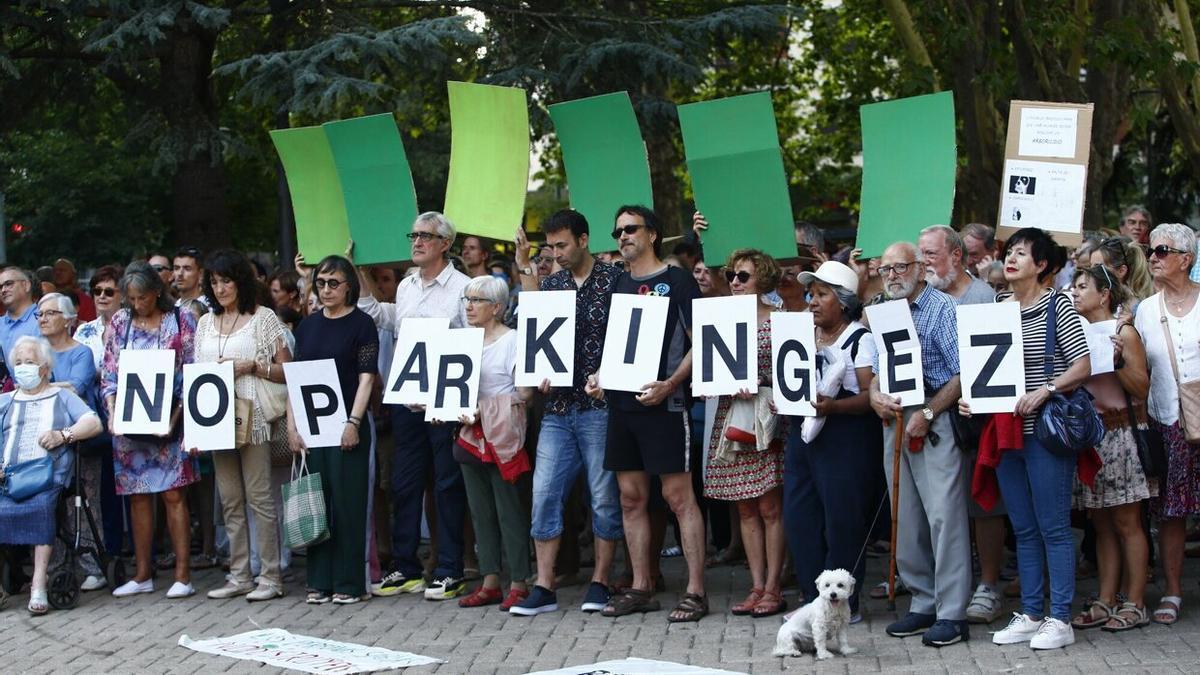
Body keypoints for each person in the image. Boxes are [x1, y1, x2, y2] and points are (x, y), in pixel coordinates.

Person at [591, 205, 707, 623]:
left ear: (653, 234)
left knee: (678, 497)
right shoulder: (619, 282)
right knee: (631, 498)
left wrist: (671, 384)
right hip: (622, 406)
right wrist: (598, 376)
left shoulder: (677, 281)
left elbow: (701, 342)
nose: (622, 236)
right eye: (618, 230)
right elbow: (615, 346)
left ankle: (696, 590)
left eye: (630, 229)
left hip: (665, 404)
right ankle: (642, 585)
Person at [976, 228, 1091, 650]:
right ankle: (1030, 613)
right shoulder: (997, 306)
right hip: (1006, 433)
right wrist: (975, 400)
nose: (1010, 260)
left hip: (1045, 432)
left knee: (1054, 527)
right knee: (1023, 527)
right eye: (1009, 252)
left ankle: (1060, 618)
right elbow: (985, 370)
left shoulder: (1058, 303)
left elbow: (1082, 365)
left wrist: (1047, 390)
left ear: (1042, 265)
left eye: (1021, 254)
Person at [509, 209, 624, 616]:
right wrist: (538, 372)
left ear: (583, 239)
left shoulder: (615, 280)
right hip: (557, 407)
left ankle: (601, 581)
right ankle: (544, 585)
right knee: (544, 495)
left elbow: (629, 338)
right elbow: (539, 336)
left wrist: (609, 375)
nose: (555, 253)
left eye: (562, 245)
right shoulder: (552, 285)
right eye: (551, 246)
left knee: (603, 497)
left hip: (599, 407)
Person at [359, 212, 471, 600]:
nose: (417, 241)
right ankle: (405, 567)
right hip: (408, 401)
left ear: (445, 244)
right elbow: (383, 317)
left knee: (446, 486)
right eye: (414, 234)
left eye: (426, 236)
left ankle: (450, 569)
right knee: (405, 485)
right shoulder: (406, 286)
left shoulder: (463, 287)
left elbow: (472, 339)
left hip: (444, 401)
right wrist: (359, 270)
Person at [868, 242, 971, 647]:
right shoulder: (883, 311)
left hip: (934, 418)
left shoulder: (942, 309)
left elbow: (964, 371)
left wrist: (927, 414)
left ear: (921, 270)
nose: (892, 275)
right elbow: (877, 368)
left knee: (944, 516)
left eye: (900, 267)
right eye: (885, 269)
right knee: (905, 515)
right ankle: (923, 600)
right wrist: (875, 394)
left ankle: (952, 612)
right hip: (894, 417)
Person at [918, 224, 1007, 625]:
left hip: (976, 418)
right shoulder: (924, 297)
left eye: (931, 255)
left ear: (957, 256)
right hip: (937, 415)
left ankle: (988, 584)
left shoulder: (982, 297)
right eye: (921, 255)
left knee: (982, 500)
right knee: (947, 508)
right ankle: (954, 584)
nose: (925, 263)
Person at [192, 250, 291, 602]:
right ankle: (239, 574)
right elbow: (196, 376)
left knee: (260, 497)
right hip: (215, 419)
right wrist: (195, 427)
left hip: (254, 416)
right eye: (214, 282)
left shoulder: (263, 318)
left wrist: (251, 366)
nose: (220, 289)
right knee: (230, 499)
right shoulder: (204, 323)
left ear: (241, 282)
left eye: (226, 281)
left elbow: (287, 370)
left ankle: (271, 575)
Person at [785, 261, 879, 622]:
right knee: (800, 517)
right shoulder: (803, 336)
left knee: (842, 521)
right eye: (811, 294)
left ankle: (844, 607)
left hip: (846, 436)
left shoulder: (860, 338)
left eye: (822, 294)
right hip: (804, 435)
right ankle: (813, 599)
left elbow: (870, 394)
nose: (812, 301)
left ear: (843, 302)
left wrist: (835, 407)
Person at [101, 261, 199, 600]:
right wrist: (113, 414)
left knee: (174, 494)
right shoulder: (120, 321)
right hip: (130, 424)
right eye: (131, 298)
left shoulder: (180, 319)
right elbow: (109, 374)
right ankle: (142, 573)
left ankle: (183, 575)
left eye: (142, 297)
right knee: (138, 495)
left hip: (170, 420)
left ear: (157, 292)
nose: (137, 304)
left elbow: (191, 372)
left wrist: (174, 419)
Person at [1068, 265, 1154, 632]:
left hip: (1121, 434)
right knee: (1100, 523)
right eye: (1073, 286)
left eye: (1082, 286)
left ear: (1104, 294)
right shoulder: (1076, 335)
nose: (1074, 292)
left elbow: (1141, 387)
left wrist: (1117, 361)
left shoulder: (1124, 332)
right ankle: (1106, 598)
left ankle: (1135, 600)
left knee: (1127, 522)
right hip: (1092, 437)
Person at [703, 249, 788, 618]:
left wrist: (761, 383)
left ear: (763, 280)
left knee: (770, 506)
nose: (734, 282)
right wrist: (721, 383)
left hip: (766, 417)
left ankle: (774, 586)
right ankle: (756, 585)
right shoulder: (719, 319)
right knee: (744, 506)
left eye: (743, 276)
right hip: (732, 416)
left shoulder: (782, 320)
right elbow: (707, 371)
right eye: (732, 275)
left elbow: (793, 373)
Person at [289, 255, 378, 604]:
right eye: (321, 283)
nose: (326, 290)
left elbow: (367, 377)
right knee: (317, 501)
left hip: (346, 425)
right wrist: (292, 426)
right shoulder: (307, 326)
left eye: (333, 283)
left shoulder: (362, 323)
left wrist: (353, 422)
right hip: (312, 427)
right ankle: (319, 581)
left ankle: (349, 583)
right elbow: (297, 381)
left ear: (349, 286)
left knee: (348, 503)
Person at [0, 336, 102, 615]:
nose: (23, 368)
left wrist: (63, 435)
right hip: (7, 479)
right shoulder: (6, 401)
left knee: (42, 507)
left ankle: (38, 584)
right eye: (18, 363)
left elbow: (92, 422)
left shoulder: (61, 396)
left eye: (29, 362)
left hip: (46, 479)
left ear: (44, 368)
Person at [1133, 222, 1200, 626]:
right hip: (1165, 421)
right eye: (1152, 251)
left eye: (1161, 250)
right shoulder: (1145, 309)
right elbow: (1139, 371)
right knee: (1171, 512)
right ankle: (1173, 590)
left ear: (1185, 260)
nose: (1153, 258)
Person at [453, 275, 533, 610]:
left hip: (502, 436)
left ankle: (519, 581)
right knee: (480, 511)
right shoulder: (460, 341)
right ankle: (489, 581)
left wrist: (484, 410)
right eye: (466, 300)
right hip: (470, 435)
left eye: (477, 300)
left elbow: (525, 392)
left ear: (497, 307)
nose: (469, 306)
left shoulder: (513, 340)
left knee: (509, 510)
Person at [37, 292, 107, 591]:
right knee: (48, 502)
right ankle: (56, 566)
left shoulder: (81, 353)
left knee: (85, 502)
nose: (43, 319)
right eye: (40, 314)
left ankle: (93, 566)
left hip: (79, 439)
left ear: (67, 320)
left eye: (50, 313)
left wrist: (41, 387)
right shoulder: (35, 353)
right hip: (44, 440)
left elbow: (75, 389)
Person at [918, 226, 995, 304]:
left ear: (955, 256)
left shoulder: (984, 298)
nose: (923, 261)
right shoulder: (915, 294)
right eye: (920, 254)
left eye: (931, 253)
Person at [74, 266, 124, 371]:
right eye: (97, 291)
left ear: (123, 296)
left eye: (109, 292)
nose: (102, 296)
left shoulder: (135, 329)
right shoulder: (83, 330)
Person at [1091, 237, 1154, 306]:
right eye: (1090, 266)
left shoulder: (1138, 308)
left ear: (1121, 271)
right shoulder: (1093, 301)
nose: (1091, 272)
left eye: (1098, 267)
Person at [0, 267, 41, 363]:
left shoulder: (45, 319)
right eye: (0, 287)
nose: (3, 290)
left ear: (26, 285)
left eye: (8, 284)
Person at [51, 258, 97, 323]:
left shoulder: (85, 301)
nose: (58, 273)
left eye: (62, 270)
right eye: (55, 270)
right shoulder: (47, 297)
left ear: (73, 274)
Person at [172, 246, 209, 311]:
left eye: (187, 269)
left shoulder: (210, 308)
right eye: (176, 268)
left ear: (201, 274)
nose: (180, 273)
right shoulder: (172, 309)